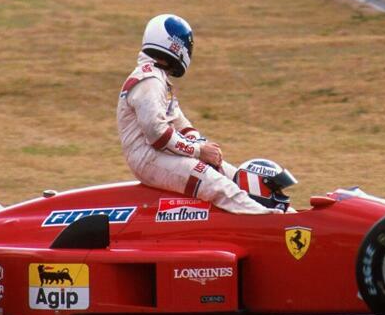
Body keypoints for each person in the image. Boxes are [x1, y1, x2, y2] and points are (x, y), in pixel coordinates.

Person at [117, 14, 281, 215]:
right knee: (214, 181)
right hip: (148, 158)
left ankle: (280, 211)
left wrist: (203, 147)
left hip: (159, 153)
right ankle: (266, 219)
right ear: (176, 45)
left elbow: (179, 121)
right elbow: (158, 135)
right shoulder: (149, 81)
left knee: (233, 174)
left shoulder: (158, 78)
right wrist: (199, 151)